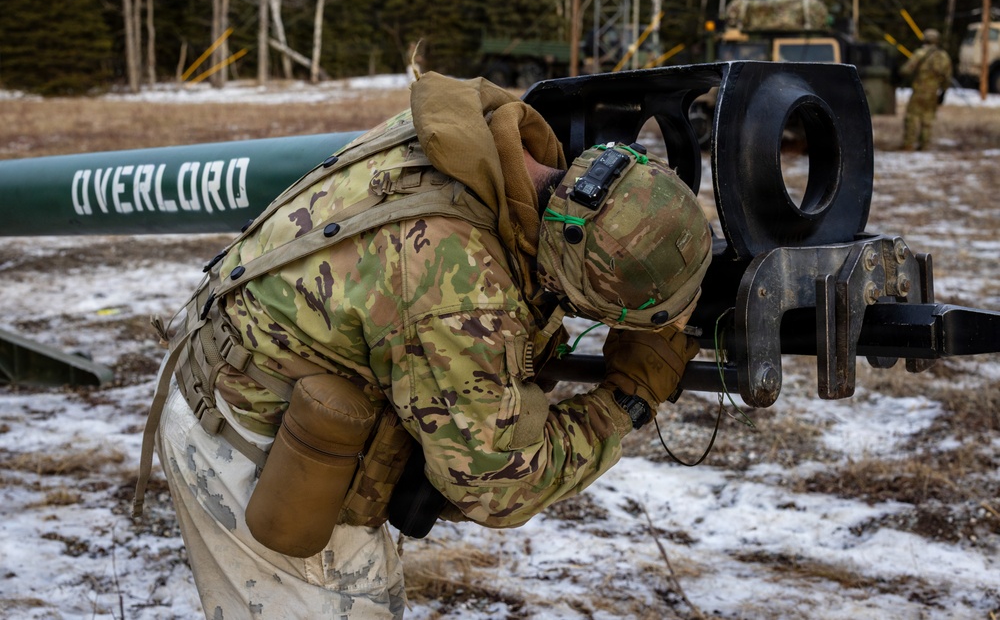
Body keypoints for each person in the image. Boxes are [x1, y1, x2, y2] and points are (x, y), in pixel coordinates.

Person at [134, 71, 712, 618]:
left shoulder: (478, 139)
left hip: (238, 372)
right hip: (250, 445)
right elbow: (501, 484)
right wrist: (628, 401)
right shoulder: (459, 286)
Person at [900, 28, 953, 151]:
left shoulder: (920, 53)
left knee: (912, 117)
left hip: (919, 91)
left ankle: (908, 144)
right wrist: (943, 92)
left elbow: (906, 70)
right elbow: (947, 77)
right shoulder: (944, 56)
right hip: (933, 93)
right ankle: (924, 145)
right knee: (928, 119)